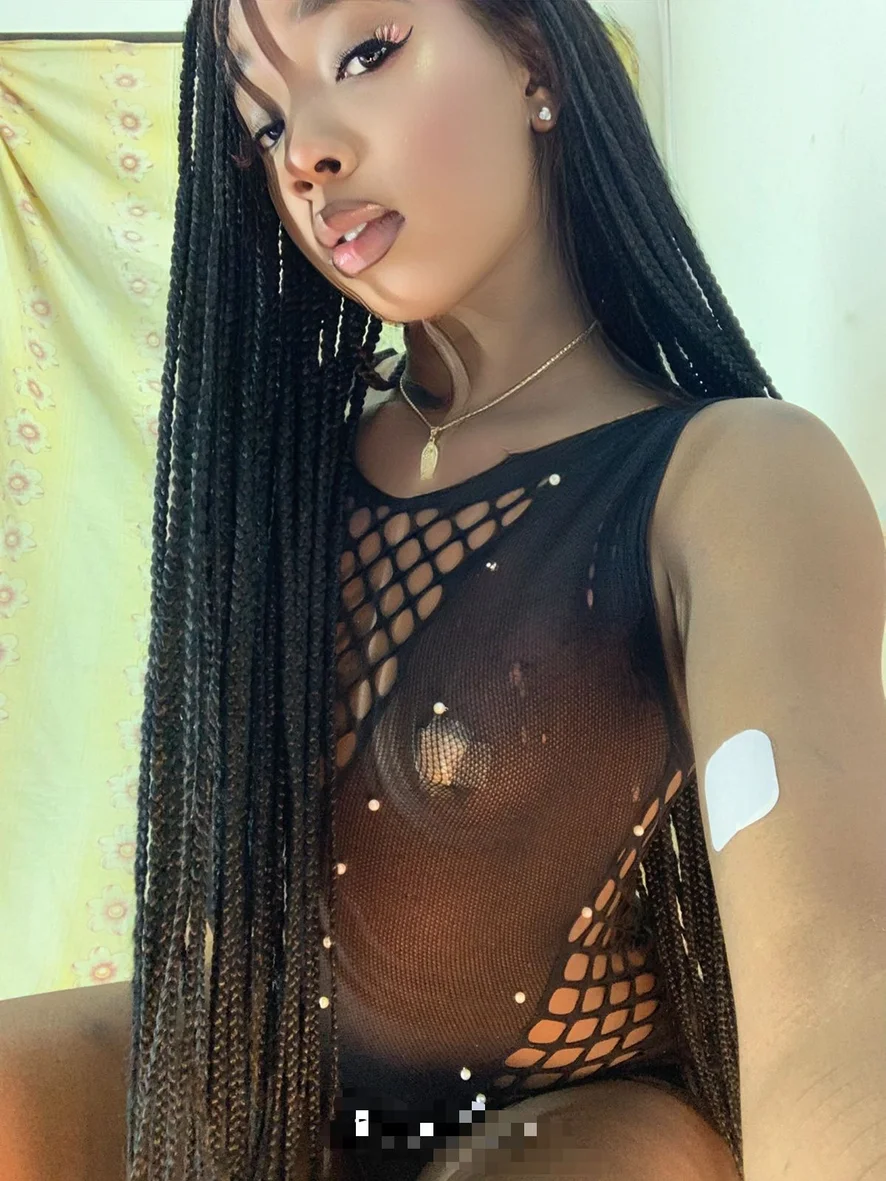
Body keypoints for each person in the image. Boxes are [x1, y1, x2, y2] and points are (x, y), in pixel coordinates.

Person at [3, 1, 884, 1180]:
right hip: (274, 1069)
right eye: (264, 126)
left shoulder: (732, 475)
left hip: (574, 1113)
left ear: (532, 58)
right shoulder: (273, 491)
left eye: (365, 53)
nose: (306, 154)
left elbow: (828, 979)